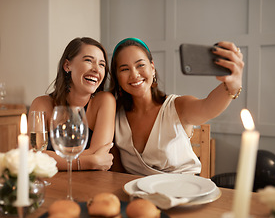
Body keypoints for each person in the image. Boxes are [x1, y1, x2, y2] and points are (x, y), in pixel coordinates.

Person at [110, 38, 244, 175]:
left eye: (140, 65)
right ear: (117, 77)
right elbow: (117, 174)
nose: (134, 74)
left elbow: (207, 108)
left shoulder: (176, 106)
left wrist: (231, 85)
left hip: (184, 192)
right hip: (138, 194)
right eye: (125, 69)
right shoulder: (115, 117)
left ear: (152, 68)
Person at [29, 37, 116, 171]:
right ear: (67, 65)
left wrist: (50, 157)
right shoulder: (41, 104)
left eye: (102, 64)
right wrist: (89, 161)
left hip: (92, 184)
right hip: (52, 184)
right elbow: (33, 157)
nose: (96, 69)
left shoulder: (105, 101)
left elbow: (101, 155)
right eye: (88, 60)